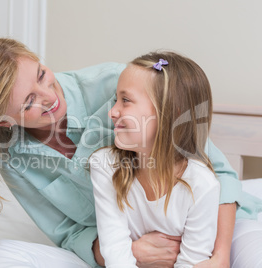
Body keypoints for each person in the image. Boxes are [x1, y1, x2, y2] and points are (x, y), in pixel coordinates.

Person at [0, 37, 262, 268]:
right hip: (122, 247)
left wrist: (220, 253)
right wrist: (129, 253)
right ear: (2, 121)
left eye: (42, 75)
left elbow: (220, 174)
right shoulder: (9, 151)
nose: (49, 96)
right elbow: (67, 232)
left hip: (212, 227)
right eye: (30, 101)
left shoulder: (117, 85)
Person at [90, 52, 220, 267]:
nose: (112, 112)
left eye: (126, 100)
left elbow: (191, 262)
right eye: (116, 100)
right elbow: (114, 250)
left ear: (169, 113)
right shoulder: (105, 165)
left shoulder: (202, 185)